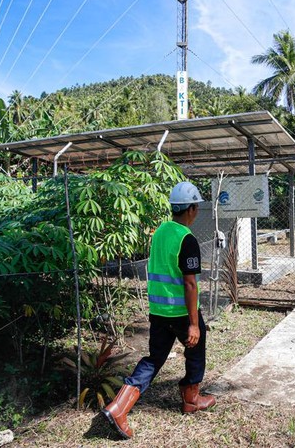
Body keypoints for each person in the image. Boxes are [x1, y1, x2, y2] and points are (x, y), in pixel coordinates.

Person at [101, 181, 215, 439]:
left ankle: (119, 407)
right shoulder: (187, 239)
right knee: (196, 353)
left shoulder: (161, 232)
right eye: (197, 208)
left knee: (154, 360)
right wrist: (195, 324)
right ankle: (191, 399)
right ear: (192, 209)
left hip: (159, 312)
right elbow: (189, 283)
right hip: (182, 314)